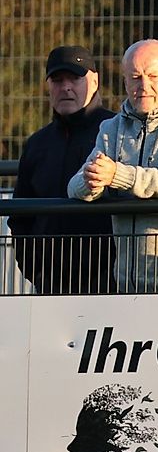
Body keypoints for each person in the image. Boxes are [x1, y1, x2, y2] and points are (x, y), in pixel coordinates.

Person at [67, 39, 158, 293]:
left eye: (153, 76)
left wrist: (118, 175)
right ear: (125, 82)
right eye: (135, 77)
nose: (143, 86)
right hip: (125, 283)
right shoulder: (112, 127)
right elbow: (74, 187)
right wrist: (92, 181)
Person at [8, 45, 116, 294]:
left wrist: (113, 272)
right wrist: (35, 270)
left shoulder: (118, 133)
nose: (66, 87)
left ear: (94, 81)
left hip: (111, 287)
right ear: (48, 86)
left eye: (74, 78)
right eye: (58, 80)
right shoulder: (37, 144)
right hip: (50, 285)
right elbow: (20, 216)